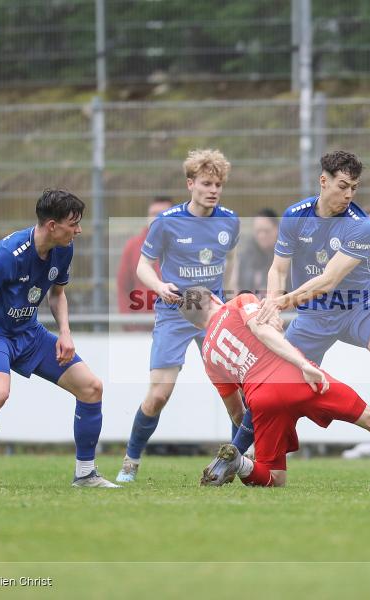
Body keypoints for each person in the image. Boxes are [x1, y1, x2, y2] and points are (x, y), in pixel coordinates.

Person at [249, 150, 370, 472]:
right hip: (314, 315)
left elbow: (328, 280)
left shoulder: (362, 225)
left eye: (354, 187)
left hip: (360, 307)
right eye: (342, 186)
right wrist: (271, 304)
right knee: (275, 382)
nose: (349, 194)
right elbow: (278, 269)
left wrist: (281, 303)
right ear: (324, 182)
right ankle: (241, 451)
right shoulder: (296, 216)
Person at [178, 287, 370, 489]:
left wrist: (257, 434)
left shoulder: (207, 354)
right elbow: (263, 330)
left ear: (194, 324)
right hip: (297, 377)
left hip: (262, 400)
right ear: (214, 297)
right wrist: (302, 363)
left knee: (274, 477)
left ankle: (240, 465)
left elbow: (237, 414)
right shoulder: (239, 302)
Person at [0, 190, 117, 489]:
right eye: (73, 223)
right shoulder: (8, 254)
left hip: (28, 333)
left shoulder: (63, 249)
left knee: (91, 388)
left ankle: (85, 474)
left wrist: (65, 332)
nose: (79, 230)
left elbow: (57, 294)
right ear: (52, 225)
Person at [116, 149, 243, 483]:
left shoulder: (230, 221)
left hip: (213, 316)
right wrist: (158, 285)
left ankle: (236, 462)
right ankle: (131, 460)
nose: (213, 190)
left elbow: (230, 260)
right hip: (174, 314)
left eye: (218, 184)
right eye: (206, 183)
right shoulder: (167, 222)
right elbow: (143, 265)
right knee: (159, 394)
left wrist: (228, 299)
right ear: (191, 184)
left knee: (236, 397)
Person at [116, 196, 174, 315]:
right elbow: (123, 287)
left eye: (163, 214)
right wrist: (128, 322)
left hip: (174, 324)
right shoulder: (133, 246)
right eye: (153, 214)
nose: (157, 219)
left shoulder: (185, 245)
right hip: (140, 326)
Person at [236, 208, 279, 296]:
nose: (262, 236)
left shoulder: (287, 256)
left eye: (266, 231)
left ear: (276, 229)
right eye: (258, 231)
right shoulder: (246, 256)